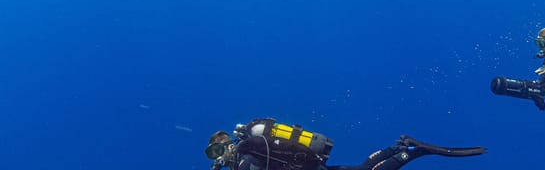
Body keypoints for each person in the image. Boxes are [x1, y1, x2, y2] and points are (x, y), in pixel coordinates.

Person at [205, 118, 486, 170]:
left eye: (216, 150)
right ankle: (399, 148)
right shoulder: (248, 151)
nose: (217, 157)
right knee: (362, 168)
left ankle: (412, 152)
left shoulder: (245, 156)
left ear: (227, 144)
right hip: (312, 167)